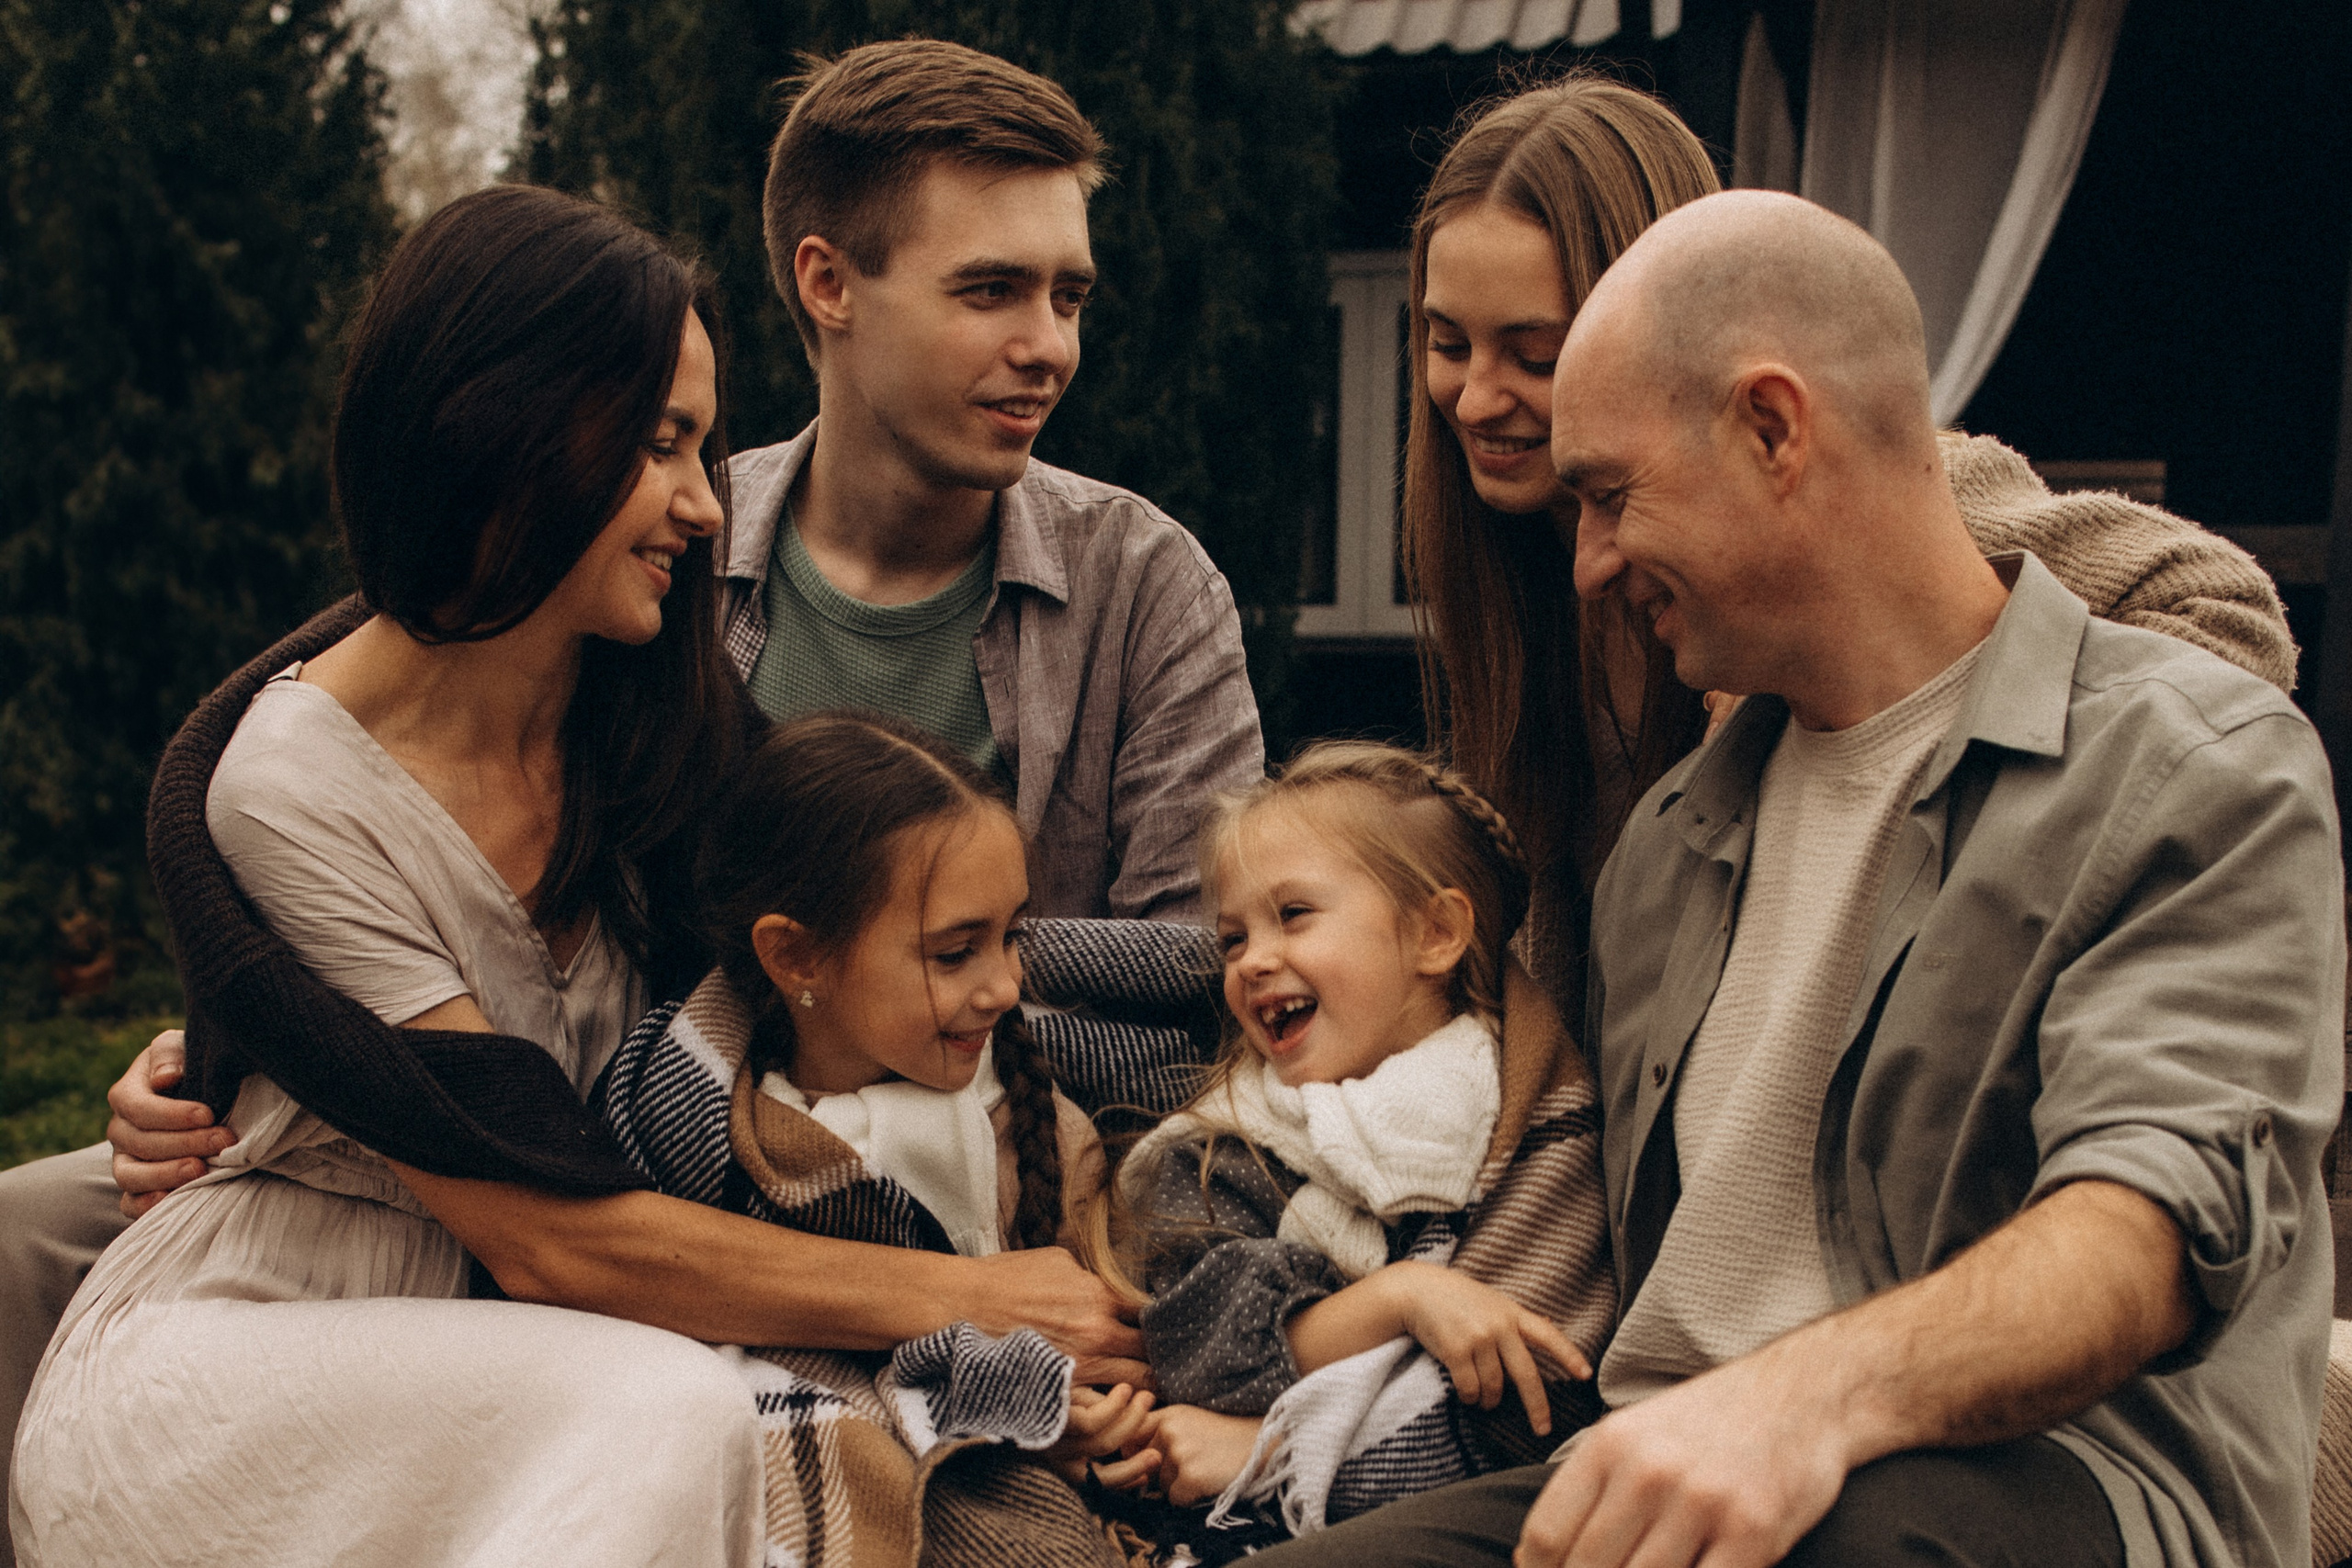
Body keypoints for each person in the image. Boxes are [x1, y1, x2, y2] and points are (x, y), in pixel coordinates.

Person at [0, 39, 1249, 1550]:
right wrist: (249, 1025)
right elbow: (536, 1209)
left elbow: (1008, 976)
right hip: (319, 1322)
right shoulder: (552, 666)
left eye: (1071, 296)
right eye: (662, 445)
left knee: (710, 1429)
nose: (703, 501)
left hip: (670, 1265)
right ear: (511, 437)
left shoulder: (665, 702)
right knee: (670, 1413)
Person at [1254, 191, 2343, 1568]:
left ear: (1773, 427)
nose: (1584, 563)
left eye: (1607, 494)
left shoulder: (2193, 762)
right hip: (1666, 1464)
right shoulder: (1672, 840)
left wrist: (1796, 1400)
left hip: (2052, 1486)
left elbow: (2146, 1229)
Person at [1397, 76, 2301, 1015]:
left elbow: (2222, 614)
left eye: (1535, 356)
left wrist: (1962, 850)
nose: (1475, 396)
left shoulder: (1893, 504)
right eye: (1446, 342)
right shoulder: (1523, 572)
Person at [595, 710, 1161, 1563]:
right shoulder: (688, 1141)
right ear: (796, 958)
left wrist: (1077, 1424)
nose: (1006, 985)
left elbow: (1119, 1345)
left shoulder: (1042, 1125)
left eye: (1012, 936)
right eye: (954, 953)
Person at [1103, 743, 1611, 1551]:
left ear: (1436, 933)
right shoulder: (1219, 1151)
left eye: (1294, 914)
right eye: (1233, 938)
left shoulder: (1531, 1112)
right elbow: (1200, 1352)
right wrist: (1403, 1297)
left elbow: (1552, 1384)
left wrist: (1270, 1445)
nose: (1253, 959)